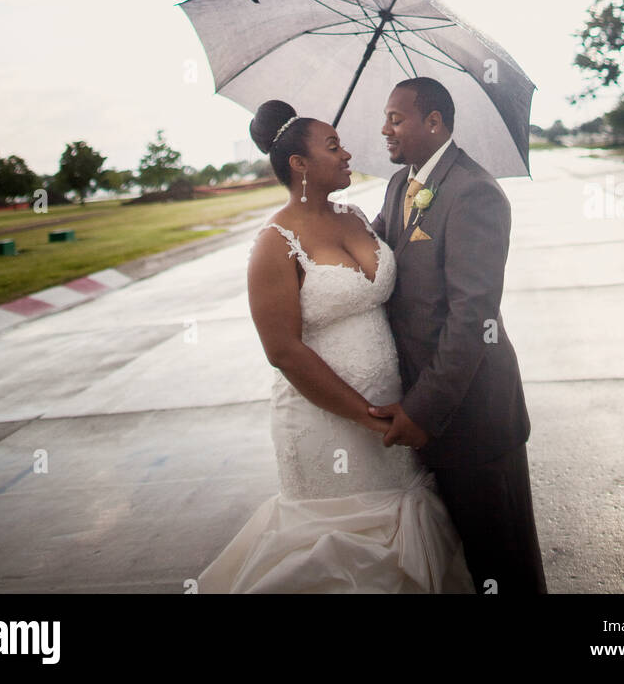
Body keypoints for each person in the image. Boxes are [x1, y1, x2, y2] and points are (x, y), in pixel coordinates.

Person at [196, 99, 475, 594]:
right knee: (343, 552)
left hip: (396, 410)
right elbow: (283, 351)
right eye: (333, 146)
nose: (347, 154)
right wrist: (368, 417)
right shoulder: (274, 242)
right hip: (327, 423)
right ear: (299, 165)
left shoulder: (356, 216)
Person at [367, 77, 548, 595]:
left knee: (503, 564)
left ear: (434, 122)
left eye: (395, 119)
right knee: (460, 569)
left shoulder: (475, 192)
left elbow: (473, 319)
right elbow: (381, 249)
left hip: (475, 416)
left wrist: (421, 410)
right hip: (429, 412)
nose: (385, 129)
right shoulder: (400, 184)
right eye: (386, 118)